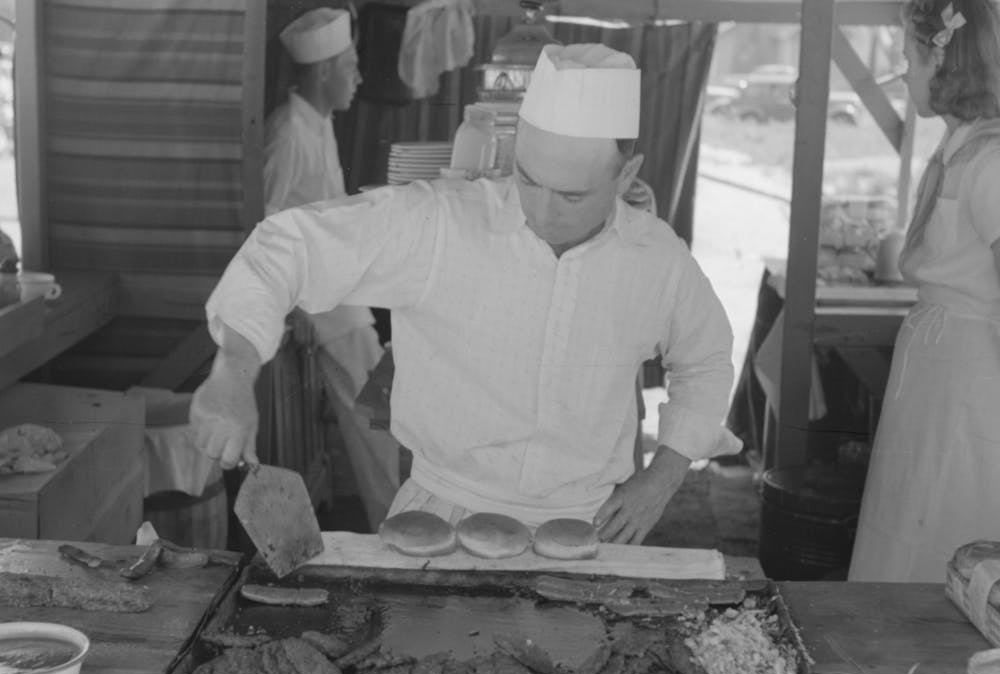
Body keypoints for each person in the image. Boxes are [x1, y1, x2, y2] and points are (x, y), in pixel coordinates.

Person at [191, 43, 741, 543]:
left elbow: (706, 360)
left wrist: (664, 477)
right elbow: (286, 247)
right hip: (440, 516)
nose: (542, 212)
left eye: (572, 196)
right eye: (528, 180)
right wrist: (232, 370)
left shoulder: (658, 260)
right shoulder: (441, 224)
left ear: (626, 177)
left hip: (591, 527)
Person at [849, 0, 1000, 582]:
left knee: (950, 515)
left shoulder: (989, 162)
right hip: (940, 373)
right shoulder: (957, 148)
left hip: (972, 381)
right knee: (910, 511)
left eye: (910, 59)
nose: (906, 74)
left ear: (946, 64)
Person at [264, 7, 400, 525]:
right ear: (323, 71)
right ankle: (396, 535)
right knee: (376, 428)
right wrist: (288, 303)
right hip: (325, 307)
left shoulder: (316, 123)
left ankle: (395, 524)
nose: (359, 78)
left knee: (382, 419)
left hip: (343, 297)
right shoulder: (287, 133)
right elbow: (266, 227)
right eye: (352, 67)